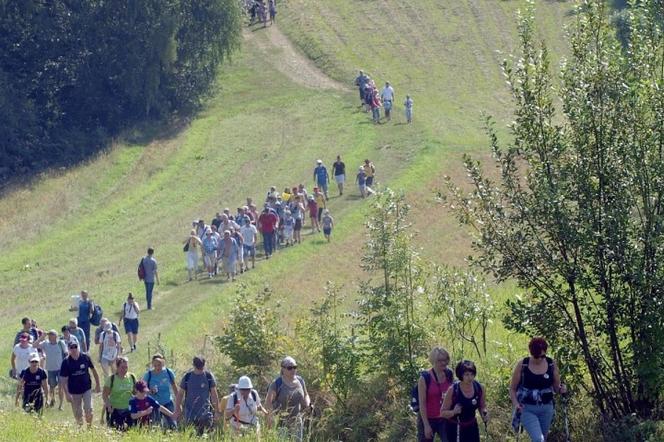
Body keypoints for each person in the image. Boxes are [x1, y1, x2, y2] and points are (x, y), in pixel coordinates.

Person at [509, 337, 566, 442]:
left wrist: (561, 389)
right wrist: (516, 404)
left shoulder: (551, 364)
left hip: (546, 408)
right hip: (526, 408)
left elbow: (556, 387)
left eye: (543, 356)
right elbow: (512, 389)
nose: (540, 358)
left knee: (543, 438)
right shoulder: (523, 364)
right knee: (538, 439)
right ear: (531, 353)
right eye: (536, 356)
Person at [440, 360, 488, 442]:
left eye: (472, 374)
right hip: (455, 428)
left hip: (472, 427)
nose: (470, 378)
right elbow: (442, 413)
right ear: (460, 375)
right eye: (466, 375)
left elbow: (482, 406)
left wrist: (484, 414)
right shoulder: (453, 390)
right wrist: (453, 412)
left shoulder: (479, 388)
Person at [265, 356, 311, 442]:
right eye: (290, 368)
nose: (293, 370)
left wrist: (308, 404)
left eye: (295, 367)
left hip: (297, 421)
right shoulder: (277, 383)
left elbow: (306, 395)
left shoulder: (300, 381)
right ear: (283, 369)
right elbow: (268, 402)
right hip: (281, 422)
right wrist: (270, 418)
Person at [174, 356, 220, 436]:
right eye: (198, 366)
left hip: (205, 415)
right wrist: (178, 409)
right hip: (190, 415)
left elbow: (214, 394)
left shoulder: (208, 377)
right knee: (191, 437)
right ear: (194, 365)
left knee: (205, 437)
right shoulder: (187, 377)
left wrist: (216, 411)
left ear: (204, 365)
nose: (200, 369)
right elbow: (180, 394)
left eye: (201, 366)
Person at [60, 341, 101, 426]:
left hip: (86, 388)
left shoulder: (85, 357)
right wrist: (67, 394)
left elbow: (94, 371)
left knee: (88, 409)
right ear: (69, 349)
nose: (74, 349)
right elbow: (63, 380)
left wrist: (98, 384)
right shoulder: (66, 362)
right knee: (77, 413)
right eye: (71, 347)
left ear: (78, 347)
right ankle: (80, 429)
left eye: (75, 347)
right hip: (74, 391)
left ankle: (89, 427)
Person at [417, 347, 453, 442]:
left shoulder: (449, 374)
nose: (443, 363)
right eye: (440, 360)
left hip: (444, 419)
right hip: (428, 419)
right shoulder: (425, 378)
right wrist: (426, 425)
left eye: (445, 359)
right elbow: (422, 404)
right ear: (433, 361)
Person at [143, 353, 178, 429]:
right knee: (156, 426)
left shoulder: (168, 372)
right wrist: (150, 391)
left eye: (159, 365)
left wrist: (179, 403)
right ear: (152, 364)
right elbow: (143, 389)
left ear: (163, 363)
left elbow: (174, 387)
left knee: (173, 424)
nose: (157, 367)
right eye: (155, 365)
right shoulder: (148, 374)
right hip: (154, 404)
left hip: (167, 402)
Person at [102, 356, 136, 430]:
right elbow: (105, 395)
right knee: (116, 432)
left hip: (129, 410)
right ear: (117, 367)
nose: (124, 370)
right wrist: (108, 405)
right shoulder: (111, 379)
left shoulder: (131, 377)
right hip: (115, 410)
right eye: (122, 367)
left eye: (126, 367)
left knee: (130, 431)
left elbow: (135, 392)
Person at [38, 329, 67, 409]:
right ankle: (53, 399)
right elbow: (34, 345)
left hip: (60, 369)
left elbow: (66, 354)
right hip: (50, 369)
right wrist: (41, 337)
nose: (50, 338)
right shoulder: (45, 343)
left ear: (56, 336)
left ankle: (60, 405)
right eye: (49, 336)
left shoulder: (61, 343)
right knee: (52, 387)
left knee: (61, 387)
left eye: (52, 336)